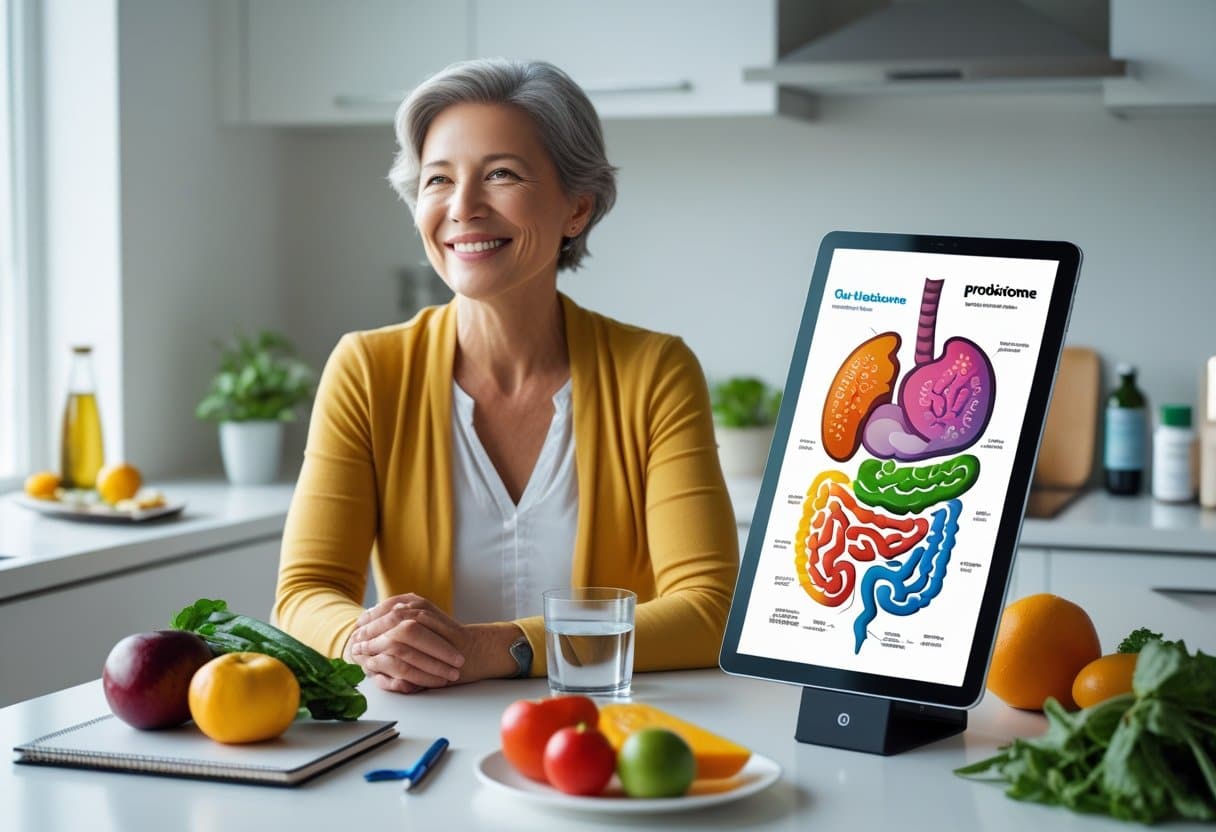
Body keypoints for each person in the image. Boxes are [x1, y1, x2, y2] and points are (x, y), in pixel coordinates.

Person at [273, 59, 739, 694]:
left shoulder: (655, 372)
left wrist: (506, 647)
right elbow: (304, 594)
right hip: (420, 739)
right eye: (438, 180)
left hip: (603, 740)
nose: (462, 207)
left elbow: (711, 611)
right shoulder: (367, 370)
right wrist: (365, 641)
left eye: (500, 174)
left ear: (578, 206)